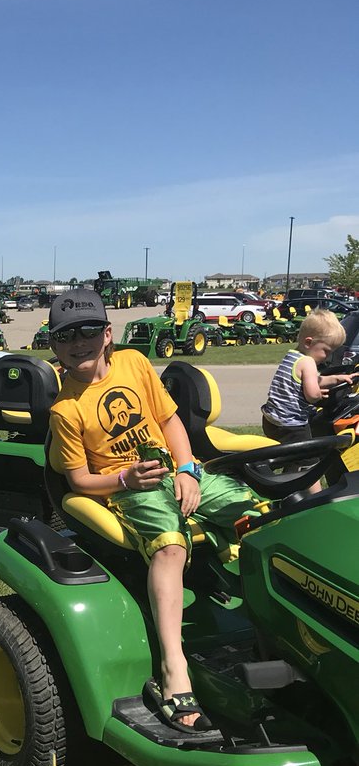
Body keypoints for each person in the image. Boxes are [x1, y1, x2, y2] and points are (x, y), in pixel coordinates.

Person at [48, 289, 260, 733]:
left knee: (263, 511)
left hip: (175, 472)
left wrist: (186, 470)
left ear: (107, 334)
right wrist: (125, 480)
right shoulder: (65, 409)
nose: (78, 341)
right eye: (66, 335)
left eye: (88, 330)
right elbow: (79, 481)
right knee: (170, 544)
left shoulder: (135, 364)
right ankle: (174, 669)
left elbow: (169, 421)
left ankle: (275, 622)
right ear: (54, 346)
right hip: (127, 487)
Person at [261, 309, 358, 492]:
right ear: (309, 342)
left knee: (295, 457)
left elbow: (313, 381)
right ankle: (316, 499)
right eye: (326, 351)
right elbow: (312, 395)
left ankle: (289, 487)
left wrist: (337, 379)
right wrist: (320, 395)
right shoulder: (309, 363)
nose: (328, 357)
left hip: (273, 420)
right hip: (291, 425)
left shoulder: (293, 356)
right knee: (310, 462)